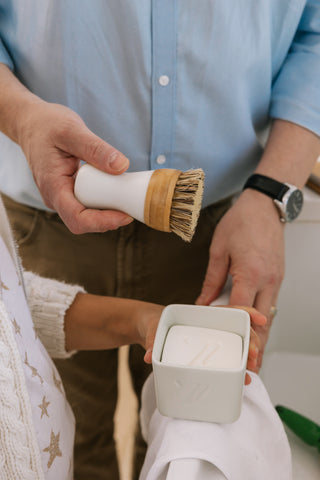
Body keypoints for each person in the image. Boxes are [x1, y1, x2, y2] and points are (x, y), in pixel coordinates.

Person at [0, 2, 319, 478]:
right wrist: (23, 118)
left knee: (191, 431)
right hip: (46, 221)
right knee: (67, 428)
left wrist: (272, 193)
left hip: (222, 227)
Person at [0, 191, 264, 479]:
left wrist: (140, 320)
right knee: (88, 432)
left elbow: (12, 304)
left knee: (160, 428)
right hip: (48, 218)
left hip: (197, 222)